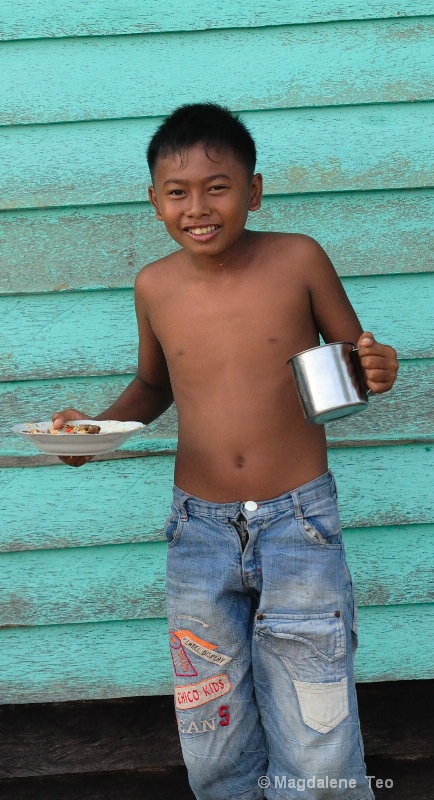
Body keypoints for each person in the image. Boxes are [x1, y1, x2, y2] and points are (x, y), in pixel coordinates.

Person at [52, 103, 398, 800]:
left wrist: (378, 368)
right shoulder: (154, 285)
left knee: (313, 721)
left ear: (254, 190)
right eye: (177, 192)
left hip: (297, 523)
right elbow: (153, 384)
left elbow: (351, 364)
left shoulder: (296, 258)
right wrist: (91, 432)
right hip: (198, 531)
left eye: (218, 186)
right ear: (154, 202)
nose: (198, 206)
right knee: (209, 716)